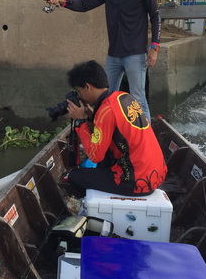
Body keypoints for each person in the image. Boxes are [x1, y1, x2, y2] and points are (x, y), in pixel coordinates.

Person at [46, 0, 161, 123]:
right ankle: (106, 134)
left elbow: (155, 16)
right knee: (105, 99)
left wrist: (154, 47)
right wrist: (62, 0)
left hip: (135, 54)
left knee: (138, 100)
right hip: (113, 56)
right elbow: (84, 5)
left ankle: (145, 141)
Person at [65, 60, 167, 196]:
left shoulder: (106, 110)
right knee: (104, 162)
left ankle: (87, 208)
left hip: (136, 181)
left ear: (88, 86)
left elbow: (95, 156)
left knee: (75, 176)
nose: (80, 96)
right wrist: (89, 115)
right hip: (156, 174)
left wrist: (80, 121)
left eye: (79, 91)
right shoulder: (123, 97)